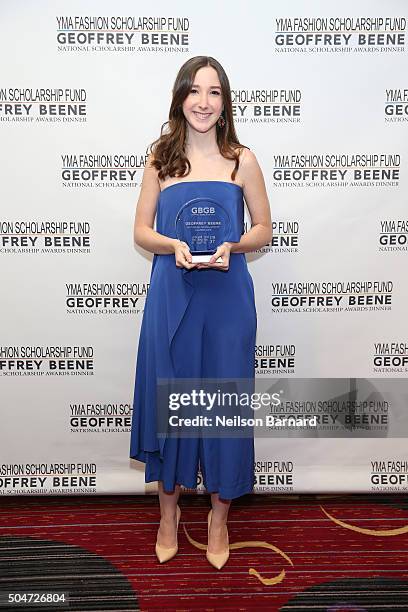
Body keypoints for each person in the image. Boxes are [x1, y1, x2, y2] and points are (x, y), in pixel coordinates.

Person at [129, 55, 272, 569]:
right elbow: (141, 231)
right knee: (172, 407)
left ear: (224, 101)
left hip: (227, 300)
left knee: (223, 409)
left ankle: (218, 518)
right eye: (194, 91)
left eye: (214, 92)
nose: (204, 102)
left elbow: (264, 230)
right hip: (173, 296)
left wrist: (236, 244)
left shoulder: (243, 160)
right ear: (180, 98)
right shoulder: (159, 162)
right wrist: (170, 244)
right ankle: (168, 516)